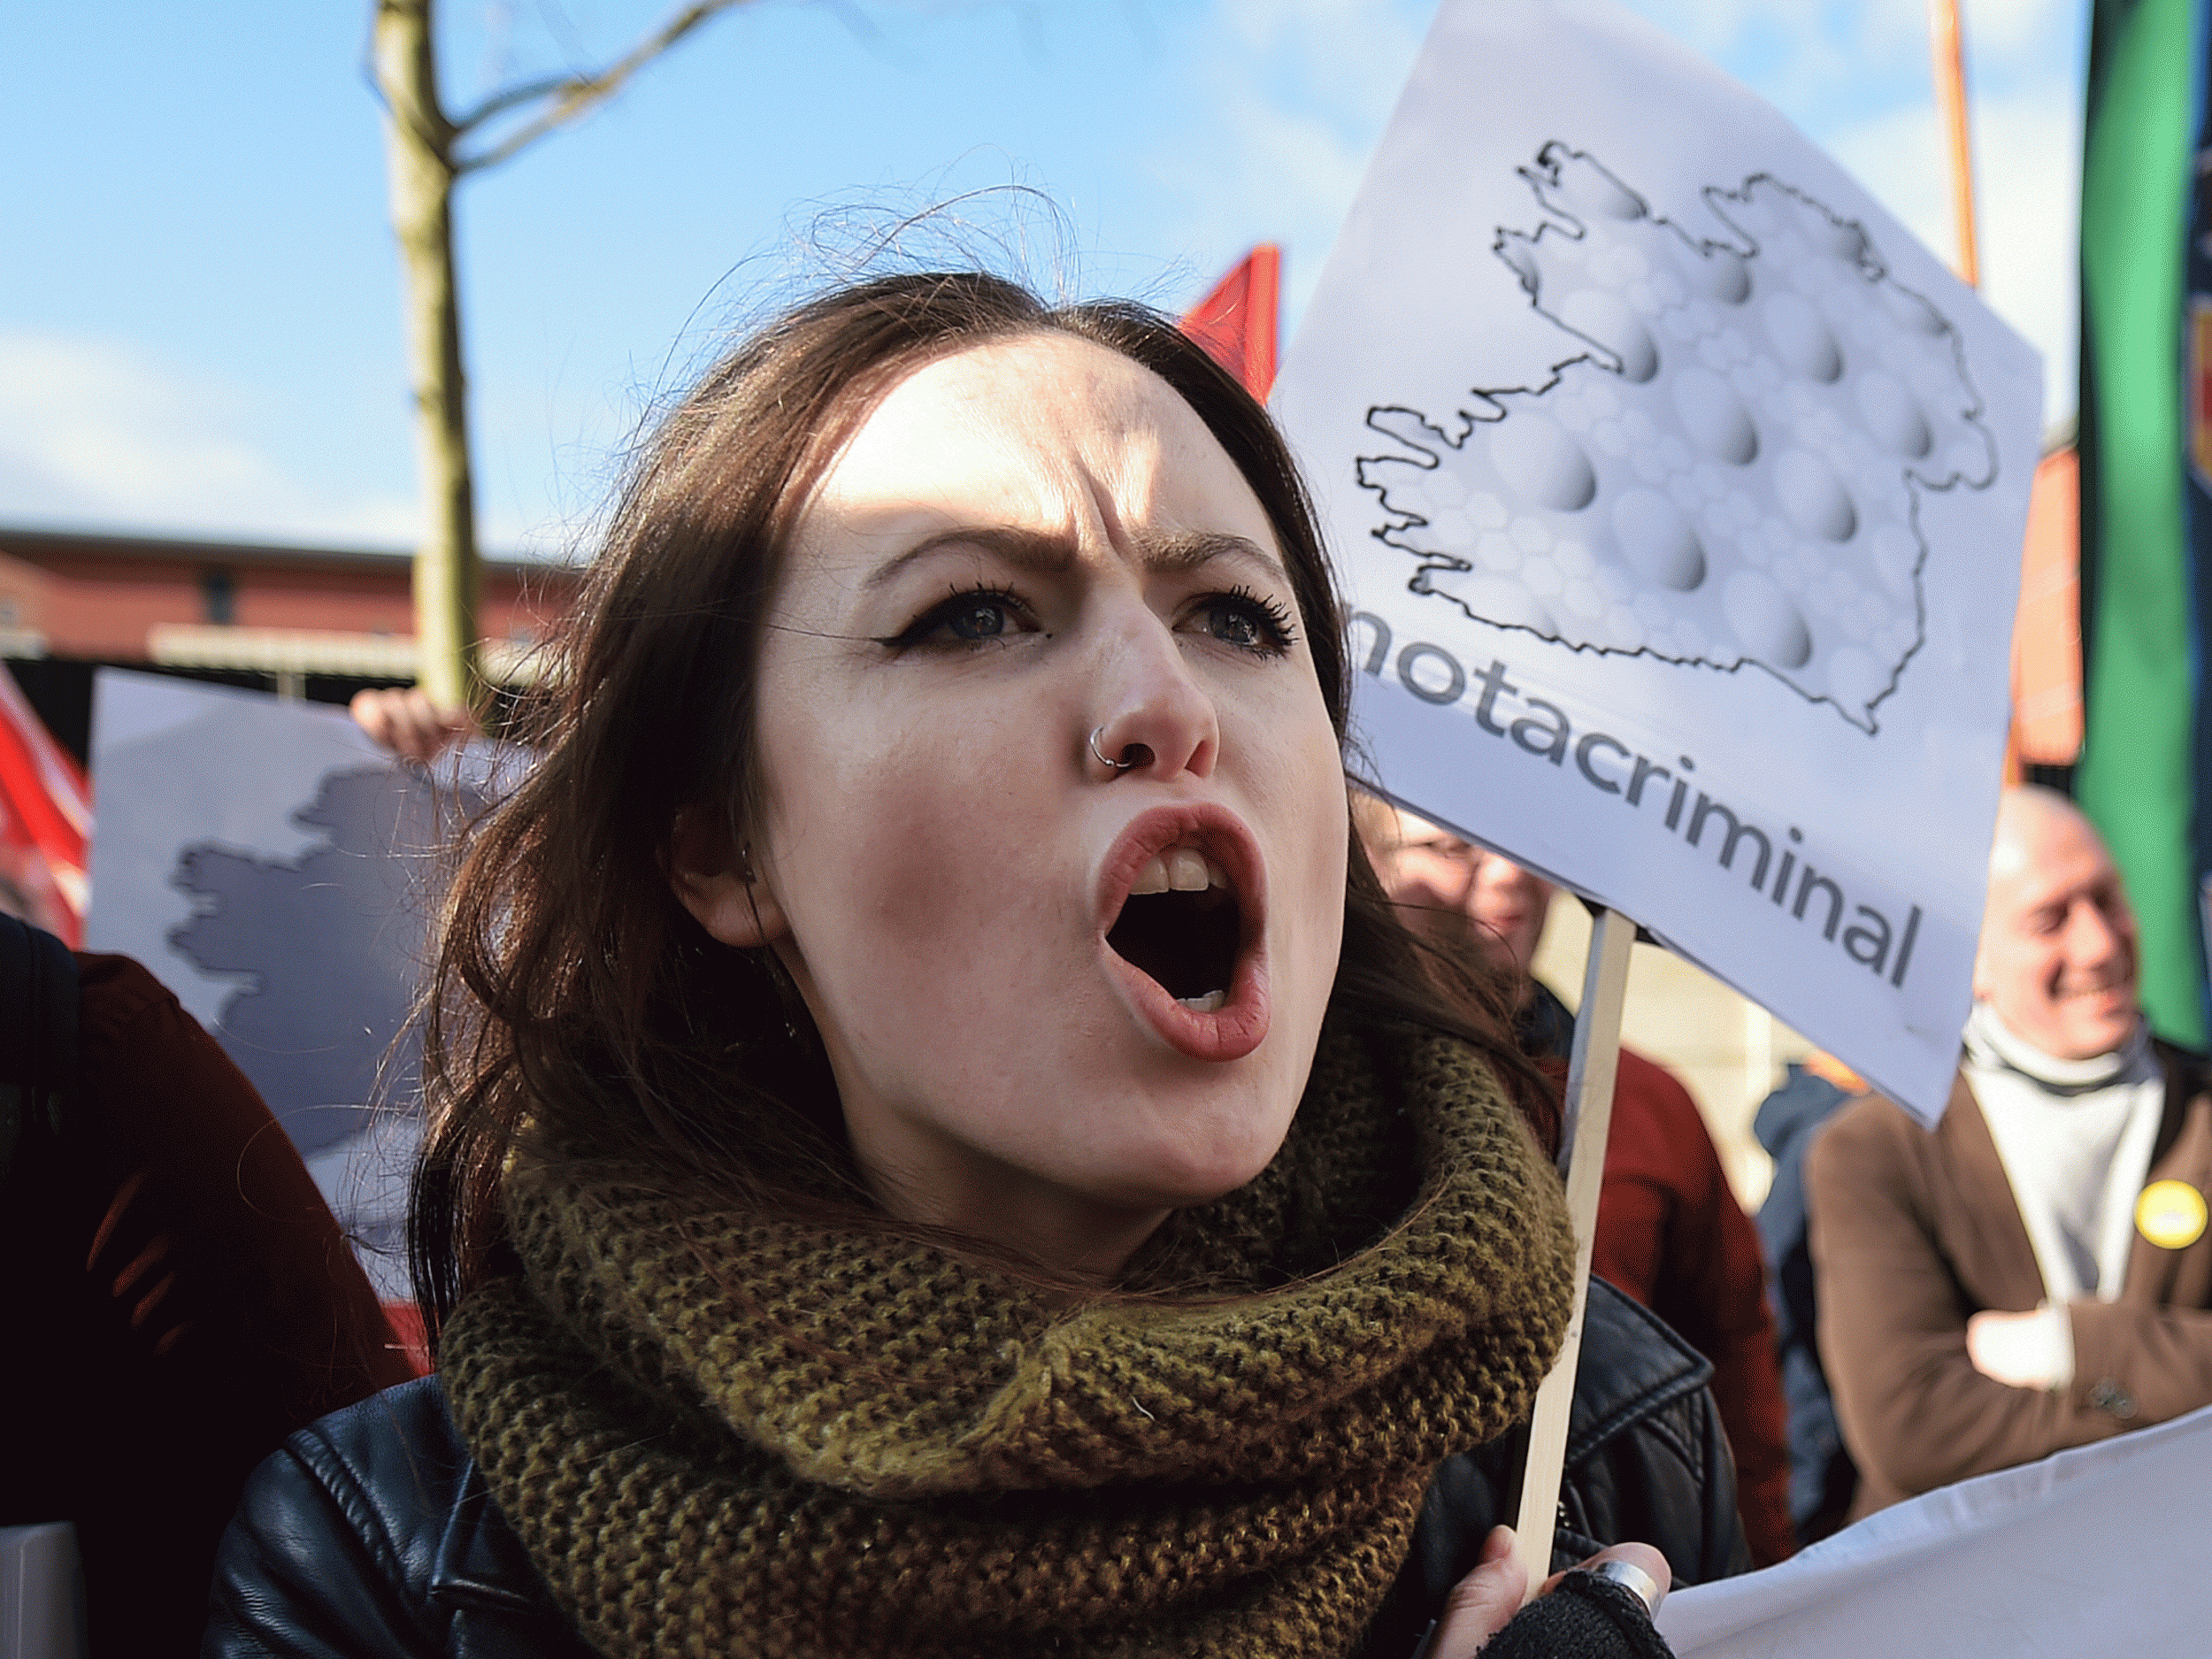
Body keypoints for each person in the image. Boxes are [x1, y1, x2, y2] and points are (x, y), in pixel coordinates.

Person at [204, 272, 1691, 1659]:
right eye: (975, 614)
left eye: (1238, 617)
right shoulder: (386, 1560)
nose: (1168, 703)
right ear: (724, 849)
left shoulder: (1593, 1434)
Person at [1357, 803, 1793, 1566]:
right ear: (1367, 861)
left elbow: (1738, 1367)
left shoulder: (1644, 1101)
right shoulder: (1308, 1098)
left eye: (1527, 838)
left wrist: (1758, 1583)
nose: (1510, 874)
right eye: (1454, 844)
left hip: (1635, 1568)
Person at [1807, 785, 2212, 1517]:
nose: (2099, 943)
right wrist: (2171, 1411)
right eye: (2049, 920)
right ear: (1969, 958)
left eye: (2108, 899)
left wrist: (2072, 1346)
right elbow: (1912, 1430)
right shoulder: (1875, 1151)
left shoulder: (2204, 1111)